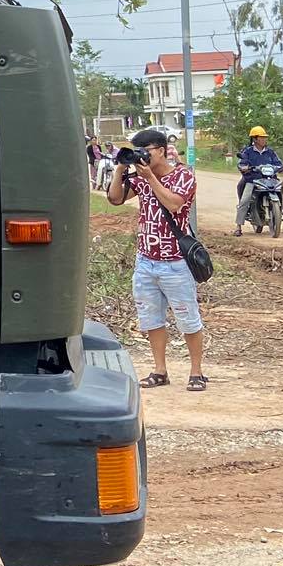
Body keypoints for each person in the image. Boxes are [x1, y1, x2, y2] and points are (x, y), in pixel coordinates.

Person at [107, 126, 207, 391]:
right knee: (151, 319)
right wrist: (121, 168)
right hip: (146, 261)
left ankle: (196, 372)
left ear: (161, 151)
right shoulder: (139, 178)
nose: (144, 156)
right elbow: (115, 199)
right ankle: (159, 370)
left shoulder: (183, 176)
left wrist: (151, 177)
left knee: (188, 319)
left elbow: (175, 204)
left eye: (146, 151)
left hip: (175, 262)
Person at [233, 125, 283, 234]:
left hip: (270, 181)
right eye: (262, 137)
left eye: (265, 137)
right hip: (253, 181)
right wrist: (244, 167)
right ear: (255, 139)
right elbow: (242, 163)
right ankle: (238, 227)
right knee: (244, 200)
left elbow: (278, 163)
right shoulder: (247, 152)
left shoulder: (270, 152)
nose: (264, 139)